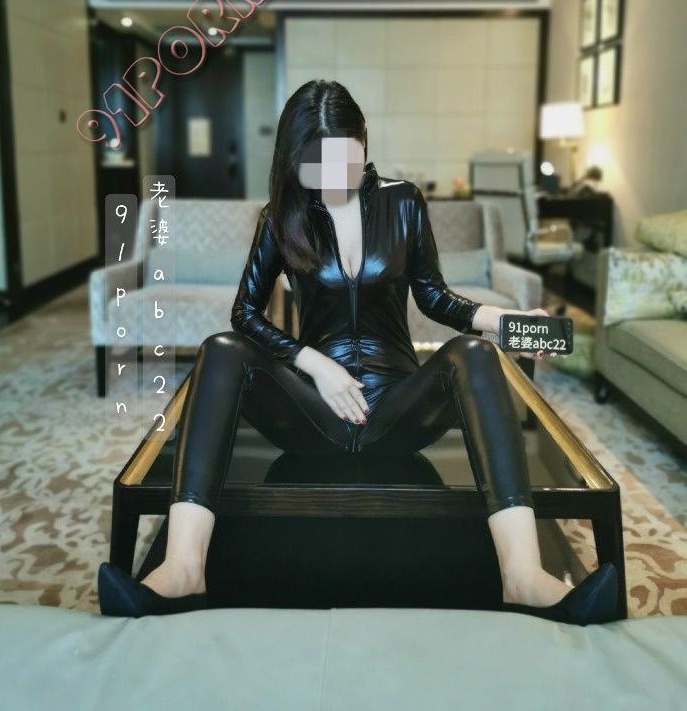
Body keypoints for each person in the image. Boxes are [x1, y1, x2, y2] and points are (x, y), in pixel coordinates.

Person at [98, 79, 618, 624]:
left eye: (346, 161)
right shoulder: (281, 215)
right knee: (221, 350)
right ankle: (183, 569)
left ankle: (523, 577)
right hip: (315, 415)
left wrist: (506, 322)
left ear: (364, 143)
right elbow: (244, 313)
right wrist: (314, 364)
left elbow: (434, 297)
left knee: (476, 353)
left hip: (396, 411)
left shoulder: (403, 201)